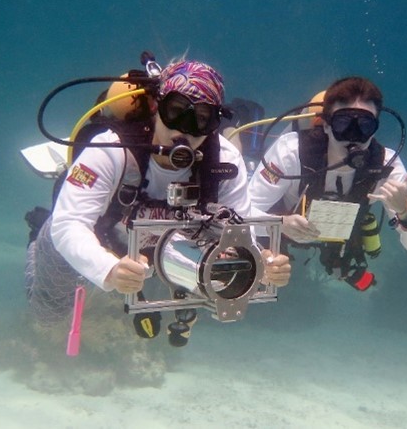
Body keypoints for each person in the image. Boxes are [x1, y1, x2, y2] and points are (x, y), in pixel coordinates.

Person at [25, 59, 291, 326]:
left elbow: (239, 226)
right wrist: (109, 269)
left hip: (164, 254)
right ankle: (39, 228)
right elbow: (69, 223)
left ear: (213, 124)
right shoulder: (111, 149)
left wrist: (261, 261)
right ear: (156, 107)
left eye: (200, 119)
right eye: (176, 112)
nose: (183, 130)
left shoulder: (225, 161)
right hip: (99, 235)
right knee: (48, 316)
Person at [247, 76, 407, 291]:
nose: (354, 137)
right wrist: (278, 224)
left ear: (375, 129)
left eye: (365, 126)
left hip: (340, 237)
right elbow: (237, 215)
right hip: (280, 226)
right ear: (326, 124)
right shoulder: (291, 151)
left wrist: (406, 212)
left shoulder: (385, 166)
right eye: (343, 124)